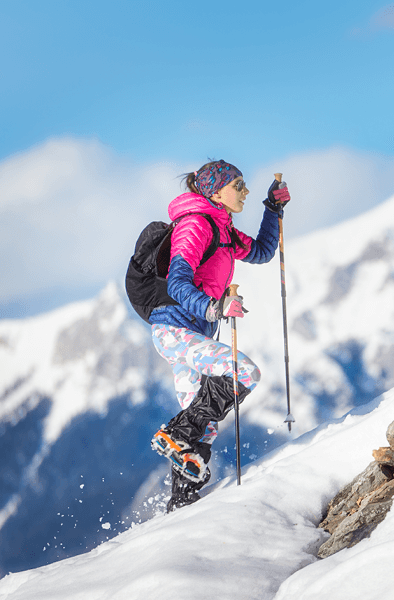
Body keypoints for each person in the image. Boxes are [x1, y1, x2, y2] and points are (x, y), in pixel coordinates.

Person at [148, 159, 290, 512]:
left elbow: (261, 252)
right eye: (238, 185)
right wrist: (215, 307)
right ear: (216, 192)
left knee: (206, 427)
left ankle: (182, 503)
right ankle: (177, 432)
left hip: (190, 329)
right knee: (245, 372)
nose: (244, 191)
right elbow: (178, 281)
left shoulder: (223, 229)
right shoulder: (195, 226)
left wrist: (273, 209)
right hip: (175, 328)